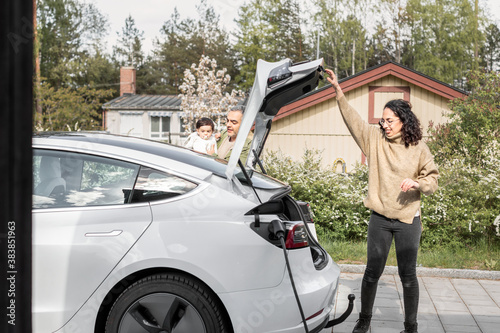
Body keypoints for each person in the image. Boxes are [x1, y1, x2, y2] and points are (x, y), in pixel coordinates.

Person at [324, 68, 438, 333]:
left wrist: (418, 183)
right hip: (380, 219)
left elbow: (432, 180)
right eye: (383, 120)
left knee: (408, 276)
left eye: (389, 120)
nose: (384, 124)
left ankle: (411, 327)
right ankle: (364, 321)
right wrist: (338, 91)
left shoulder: (418, 147)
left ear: (403, 120)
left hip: (408, 220)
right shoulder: (374, 139)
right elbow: (354, 121)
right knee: (371, 273)